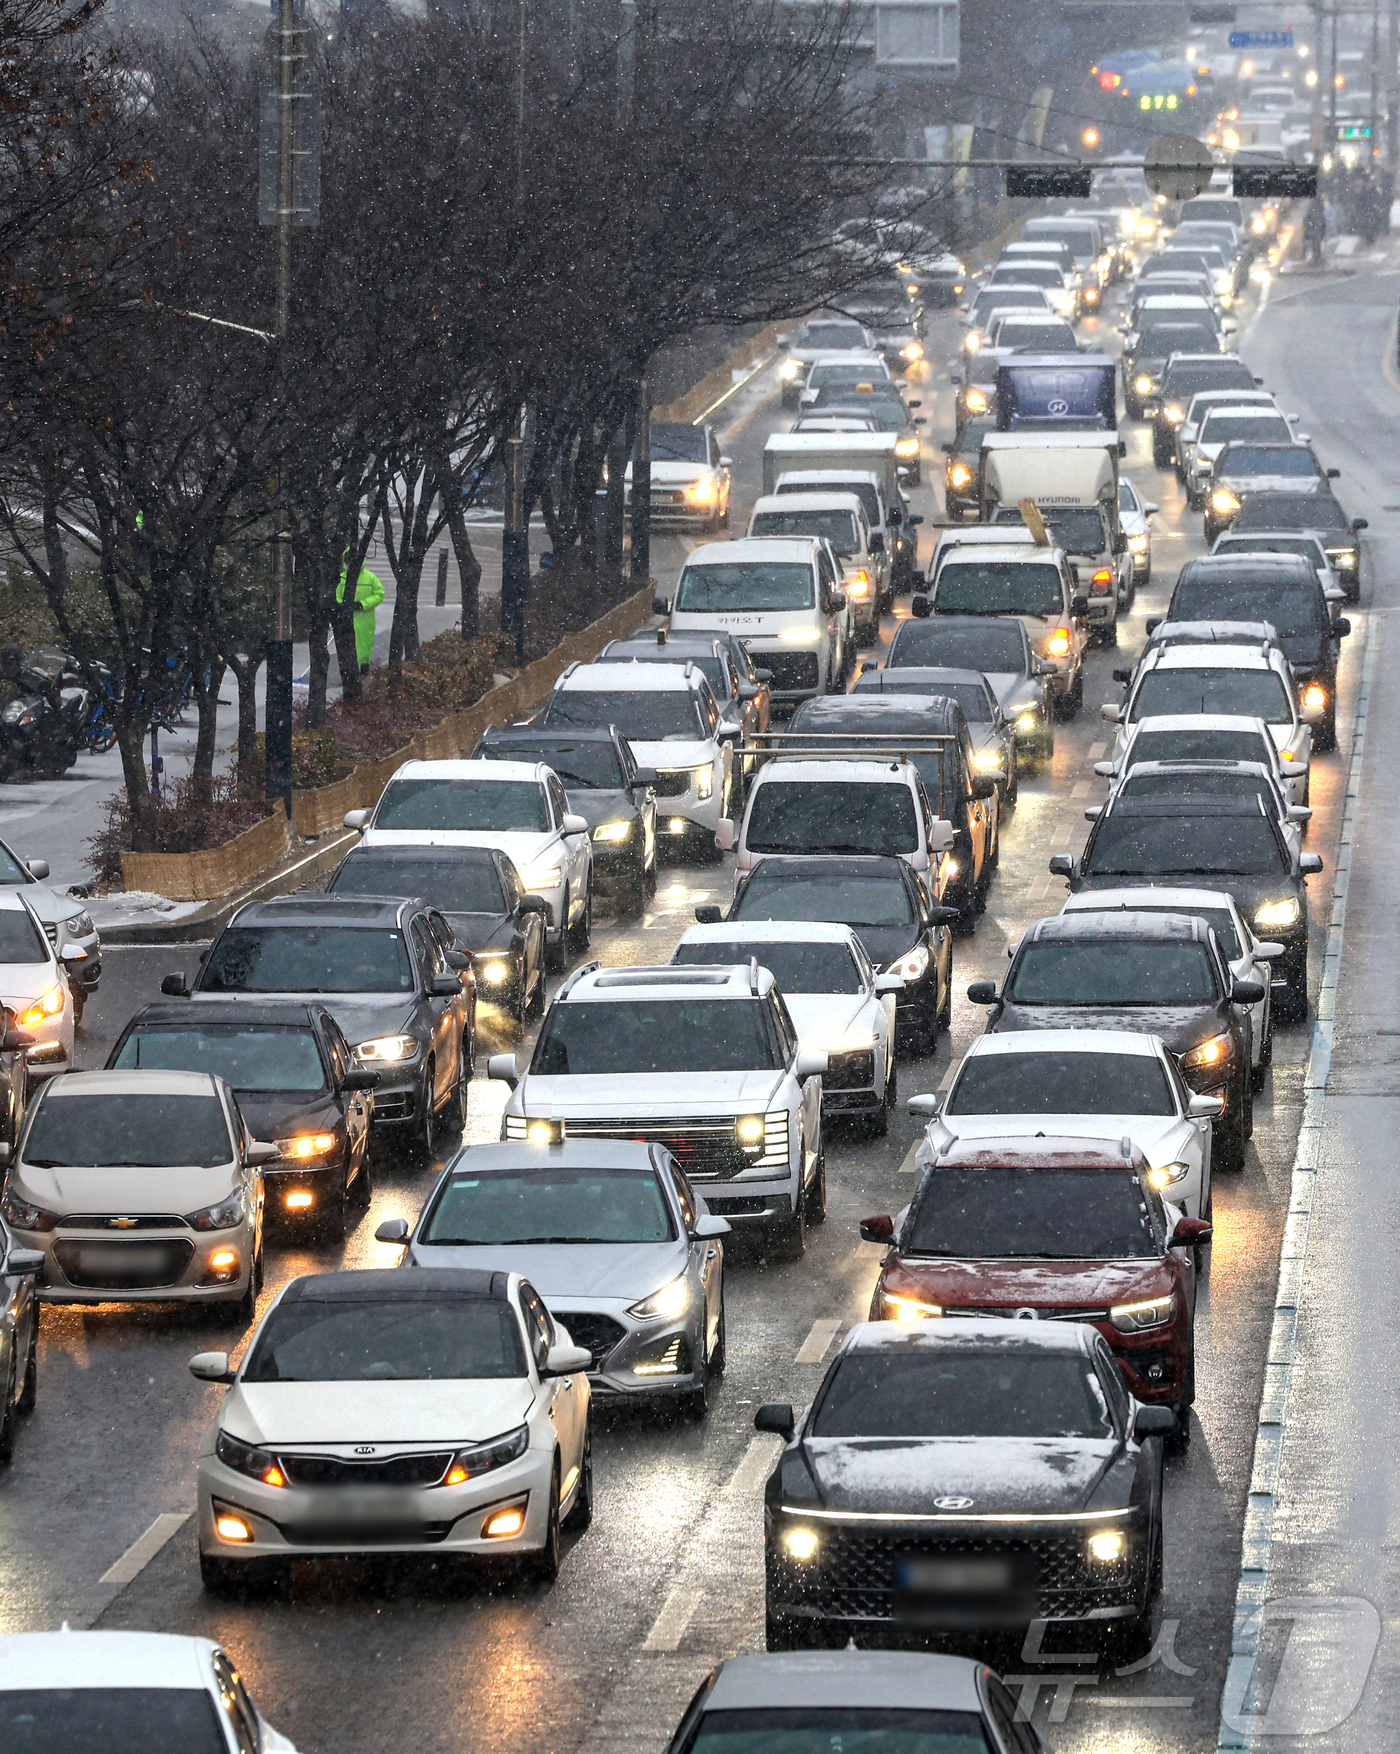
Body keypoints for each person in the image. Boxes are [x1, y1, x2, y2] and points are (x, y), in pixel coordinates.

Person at [336, 563, 385, 675]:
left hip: (364, 619)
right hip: (350, 618)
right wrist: (342, 605)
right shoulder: (342, 578)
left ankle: (363, 669)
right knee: (350, 644)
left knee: (364, 645)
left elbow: (379, 594)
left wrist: (362, 604)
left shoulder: (370, 578)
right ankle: (351, 671)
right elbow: (336, 594)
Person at [1303, 197, 1327, 267]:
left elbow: (1307, 220)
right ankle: (1316, 259)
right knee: (1316, 244)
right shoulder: (1318, 210)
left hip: (1313, 230)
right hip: (1316, 230)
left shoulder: (1312, 209)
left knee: (1315, 245)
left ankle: (1315, 259)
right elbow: (1322, 222)